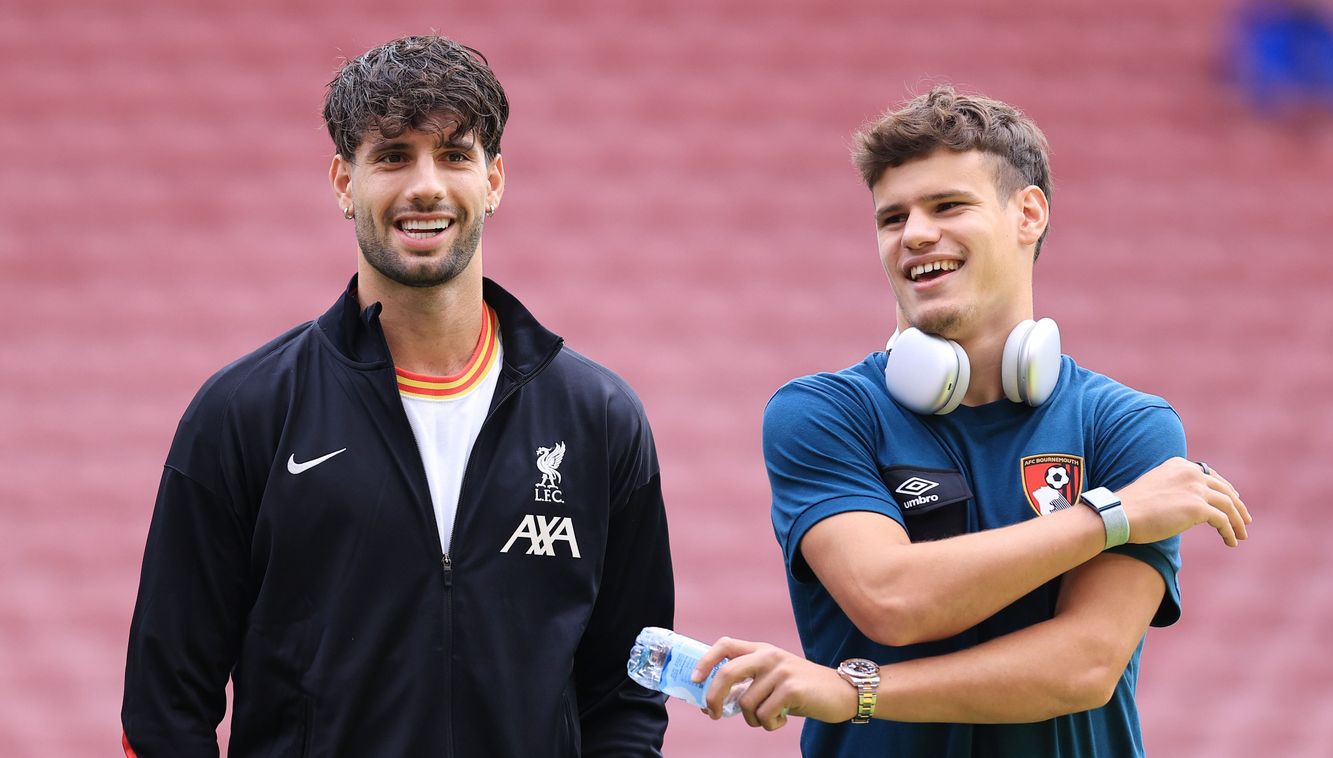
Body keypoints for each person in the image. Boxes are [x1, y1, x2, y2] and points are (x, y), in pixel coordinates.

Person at [121, 35, 674, 757]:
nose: (426, 186)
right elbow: (164, 708)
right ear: (344, 183)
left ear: (495, 180)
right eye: (391, 156)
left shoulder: (598, 417)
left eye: (453, 155)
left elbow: (627, 692)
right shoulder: (243, 412)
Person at [693, 87, 1252, 756]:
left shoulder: (1126, 425)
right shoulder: (822, 412)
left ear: (1028, 214)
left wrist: (854, 692)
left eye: (947, 205)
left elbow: (1082, 666)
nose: (915, 234)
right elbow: (892, 599)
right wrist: (1109, 517)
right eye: (891, 217)